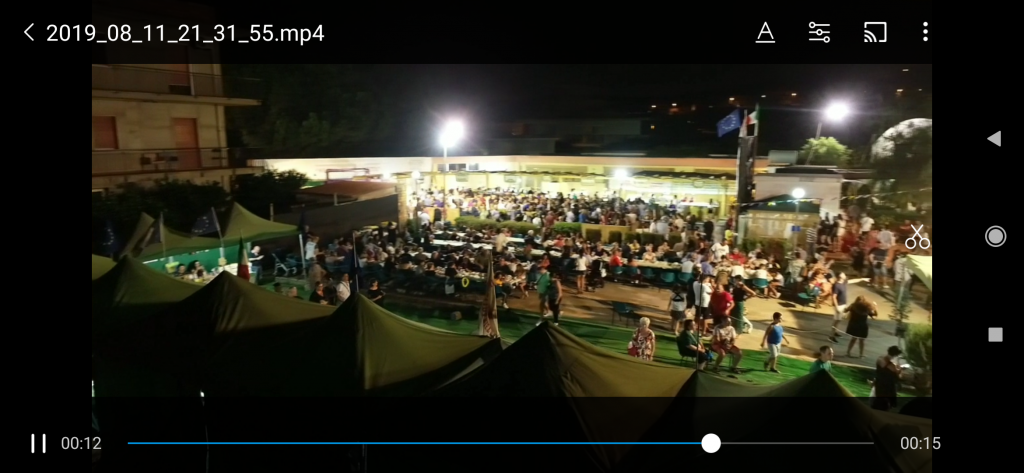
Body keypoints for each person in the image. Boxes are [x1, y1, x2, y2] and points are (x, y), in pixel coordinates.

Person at [872, 346, 903, 411]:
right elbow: (899, 376)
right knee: (887, 403)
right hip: (889, 386)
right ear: (896, 355)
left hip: (879, 383)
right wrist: (899, 369)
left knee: (879, 400)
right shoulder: (892, 366)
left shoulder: (880, 359)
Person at [828, 272, 849, 344]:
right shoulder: (837, 285)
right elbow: (834, 297)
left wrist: (862, 279)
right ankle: (831, 336)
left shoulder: (844, 282)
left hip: (843, 305)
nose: (845, 275)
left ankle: (835, 332)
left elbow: (852, 281)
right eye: (844, 274)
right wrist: (837, 307)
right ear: (840, 277)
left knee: (839, 320)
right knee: (836, 321)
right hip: (839, 305)